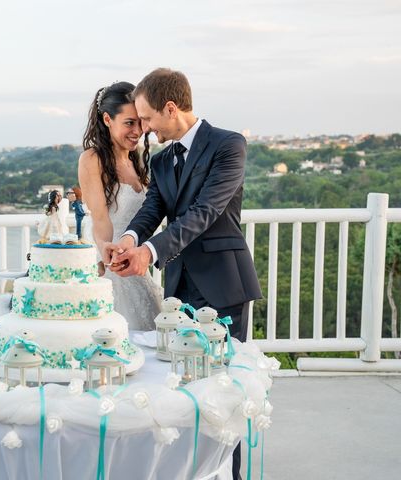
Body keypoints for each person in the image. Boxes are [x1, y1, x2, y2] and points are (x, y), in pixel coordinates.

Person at [105, 68, 262, 480]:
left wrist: (150, 251)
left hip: (224, 284)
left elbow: (205, 213)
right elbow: (153, 207)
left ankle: (231, 474)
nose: (145, 128)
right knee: (182, 388)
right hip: (178, 288)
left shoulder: (229, 145)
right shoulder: (161, 159)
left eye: (149, 118)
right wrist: (130, 239)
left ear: (170, 108)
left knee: (224, 391)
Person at [78, 81, 162, 331]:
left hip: (137, 266)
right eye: (129, 123)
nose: (138, 130)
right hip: (110, 265)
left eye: (140, 122)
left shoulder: (135, 161)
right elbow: (100, 218)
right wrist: (104, 246)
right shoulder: (92, 159)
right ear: (107, 119)